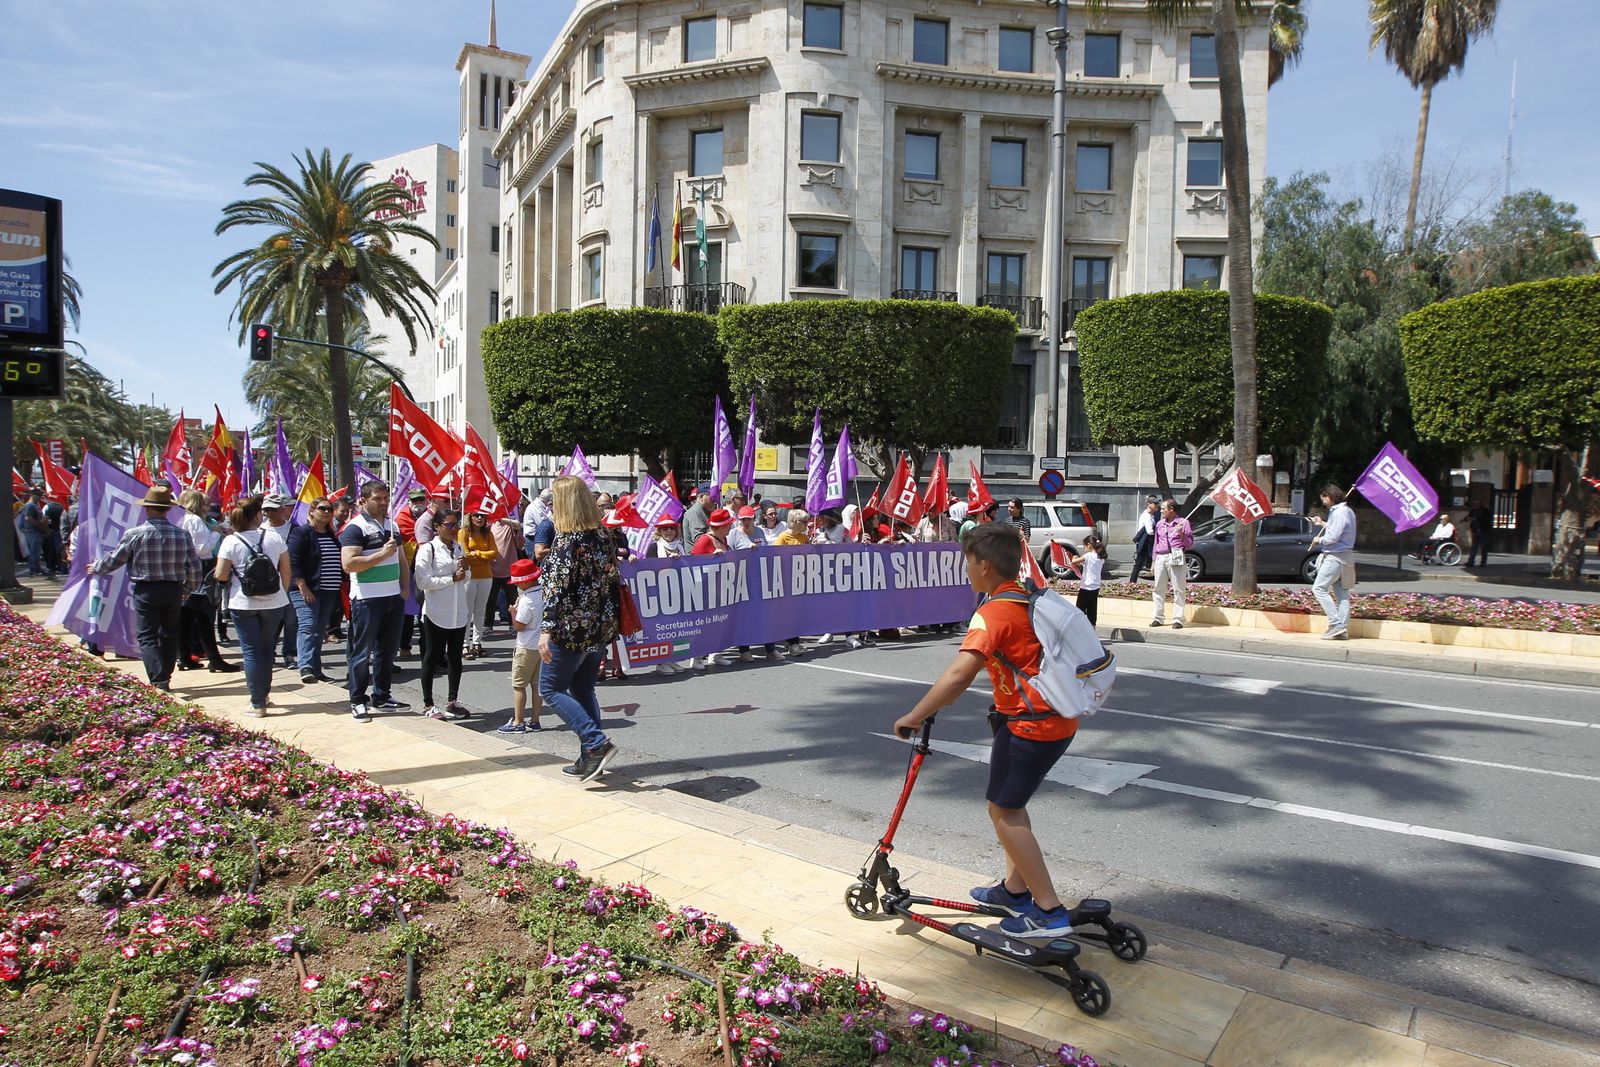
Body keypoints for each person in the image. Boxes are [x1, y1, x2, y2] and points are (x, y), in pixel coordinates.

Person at [892, 523, 1079, 940]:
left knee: (1003, 811)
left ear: (984, 565)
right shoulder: (1028, 597)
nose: (966, 570)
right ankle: (1014, 891)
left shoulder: (992, 612)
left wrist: (914, 715)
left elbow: (959, 674)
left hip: (1030, 725)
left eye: (968, 562)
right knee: (1013, 804)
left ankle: (1048, 910)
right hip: (1055, 718)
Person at [539, 476, 622, 783]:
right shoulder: (603, 535)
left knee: (550, 688)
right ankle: (589, 756)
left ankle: (595, 742)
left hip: (571, 628)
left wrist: (545, 630)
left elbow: (556, 590)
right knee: (583, 688)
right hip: (598, 626)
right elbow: (613, 580)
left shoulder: (566, 541)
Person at [90, 484, 203, 691]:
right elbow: (195, 569)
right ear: (168, 508)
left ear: (147, 508)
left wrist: (96, 568)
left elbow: (116, 559)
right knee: (169, 634)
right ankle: (164, 675)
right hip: (173, 589)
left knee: (147, 635)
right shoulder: (182, 535)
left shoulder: (135, 534)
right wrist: (186, 590)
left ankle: (159, 678)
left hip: (147, 590)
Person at [213, 494, 292, 717]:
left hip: (243, 602)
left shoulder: (231, 541)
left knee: (251, 652)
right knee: (267, 650)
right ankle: (264, 694)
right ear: (258, 515)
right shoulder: (275, 537)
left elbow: (220, 574)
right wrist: (282, 593)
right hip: (275, 602)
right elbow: (286, 570)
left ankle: (257, 703)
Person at [339, 481, 412, 722]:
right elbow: (349, 564)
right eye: (377, 498)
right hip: (367, 599)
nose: (383, 502)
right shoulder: (355, 528)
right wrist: (381, 554)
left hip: (392, 597)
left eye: (385, 498)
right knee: (361, 652)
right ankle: (358, 699)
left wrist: (404, 587)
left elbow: (400, 558)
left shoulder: (391, 525)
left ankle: (382, 694)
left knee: (386, 651)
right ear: (363, 500)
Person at [413, 508, 473, 720]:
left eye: (456, 524)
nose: (454, 529)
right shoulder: (428, 549)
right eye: (448, 525)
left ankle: (452, 701)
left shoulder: (458, 547)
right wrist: (451, 579)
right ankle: (428, 703)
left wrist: (466, 570)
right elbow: (422, 581)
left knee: (455, 658)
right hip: (436, 612)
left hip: (457, 612)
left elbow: (466, 578)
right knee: (431, 656)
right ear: (437, 527)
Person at [175, 489, 236, 673]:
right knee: (204, 616)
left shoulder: (186, 519)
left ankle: (185, 656)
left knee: (187, 618)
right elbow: (201, 548)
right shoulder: (194, 520)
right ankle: (213, 658)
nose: (207, 508)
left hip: (190, 569)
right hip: (200, 569)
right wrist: (216, 533)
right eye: (204, 504)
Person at [287, 496, 345, 683]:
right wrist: (302, 585)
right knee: (308, 626)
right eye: (322, 508)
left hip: (329, 590)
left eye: (329, 509)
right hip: (306, 589)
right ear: (312, 511)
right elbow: (292, 561)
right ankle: (305, 666)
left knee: (320, 630)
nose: (327, 512)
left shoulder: (331, 535)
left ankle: (316, 670)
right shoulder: (301, 533)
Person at [1309, 485, 1357, 641]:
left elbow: (1332, 538)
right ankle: (1341, 629)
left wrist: (1318, 540)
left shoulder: (1339, 512)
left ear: (1329, 496)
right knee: (1342, 594)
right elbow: (1338, 530)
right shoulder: (1347, 511)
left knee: (1319, 589)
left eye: (1323, 497)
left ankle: (1336, 624)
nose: (1322, 501)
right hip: (1346, 557)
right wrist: (1322, 523)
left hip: (1335, 557)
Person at [502, 558, 544, 732]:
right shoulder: (544, 592)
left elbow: (519, 625)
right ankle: (535, 720)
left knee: (519, 685)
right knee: (537, 686)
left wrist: (513, 612)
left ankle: (518, 721)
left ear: (525, 581)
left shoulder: (527, 599)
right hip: (542, 646)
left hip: (526, 646)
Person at [262, 492, 298, 670]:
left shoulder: (294, 529)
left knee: (291, 621)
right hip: (269, 583)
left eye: (273, 510)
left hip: (290, 581)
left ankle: (289, 654)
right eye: (266, 510)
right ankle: (269, 652)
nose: (269, 513)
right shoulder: (260, 530)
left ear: (282, 510)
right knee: (271, 620)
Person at [461, 511, 499, 658]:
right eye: (476, 515)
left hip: (486, 576)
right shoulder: (463, 532)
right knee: (467, 611)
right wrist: (482, 554)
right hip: (469, 576)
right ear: (470, 517)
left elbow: (494, 553)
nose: (479, 518)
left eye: (482, 516)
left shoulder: (488, 534)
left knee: (480, 610)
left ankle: (477, 642)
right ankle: (464, 643)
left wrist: (475, 553)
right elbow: (465, 554)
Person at [1149, 498, 1192, 629]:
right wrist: (1153, 561)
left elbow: (1190, 543)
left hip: (1176, 555)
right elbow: (1156, 542)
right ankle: (1158, 617)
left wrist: (1181, 534)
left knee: (1178, 588)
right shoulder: (1159, 524)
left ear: (1171, 509)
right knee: (1158, 588)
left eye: (1163, 508)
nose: (1161, 511)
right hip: (1161, 557)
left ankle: (1178, 619)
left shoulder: (1184, 523)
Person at [487, 513, 525, 633]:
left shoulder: (510, 525)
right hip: (492, 570)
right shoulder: (490, 526)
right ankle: (487, 625)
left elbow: (518, 527)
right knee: (490, 600)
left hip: (509, 570)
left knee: (512, 600)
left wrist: (503, 519)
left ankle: (513, 624)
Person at [1065, 533, 1105, 627]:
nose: (1084, 548)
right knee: (1092, 610)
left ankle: (1076, 629)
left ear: (1089, 545)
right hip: (1095, 587)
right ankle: (1092, 631)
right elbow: (1089, 566)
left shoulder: (1088, 555)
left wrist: (1074, 557)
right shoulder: (1101, 557)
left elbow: (1075, 561)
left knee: (1079, 609)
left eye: (1084, 546)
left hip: (1086, 587)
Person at [18, 488, 47, 577]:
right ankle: (34, 569)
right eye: (38, 495)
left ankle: (36, 568)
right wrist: (39, 524)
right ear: (33, 495)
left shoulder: (33, 505)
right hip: (32, 531)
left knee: (36, 551)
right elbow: (28, 518)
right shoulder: (30, 506)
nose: (39, 498)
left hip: (33, 531)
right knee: (35, 551)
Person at [1130, 496, 1158, 582]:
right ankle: (1132, 582)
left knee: (1141, 562)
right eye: (1155, 503)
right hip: (1145, 542)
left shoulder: (1151, 516)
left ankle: (1133, 581)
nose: (1157, 505)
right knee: (1139, 563)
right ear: (1149, 505)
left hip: (1147, 542)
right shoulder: (1146, 516)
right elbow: (1149, 531)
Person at [1466, 502, 1492, 567]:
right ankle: (1471, 561)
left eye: (1476, 504)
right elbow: (1469, 516)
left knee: (1483, 547)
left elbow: (1486, 520)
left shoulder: (1485, 511)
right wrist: (1464, 520)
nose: (1474, 506)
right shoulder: (1473, 510)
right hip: (1475, 531)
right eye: (1474, 504)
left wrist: (1476, 519)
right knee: (1474, 547)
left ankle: (1483, 562)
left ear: (1479, 504)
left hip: (1483, 531)